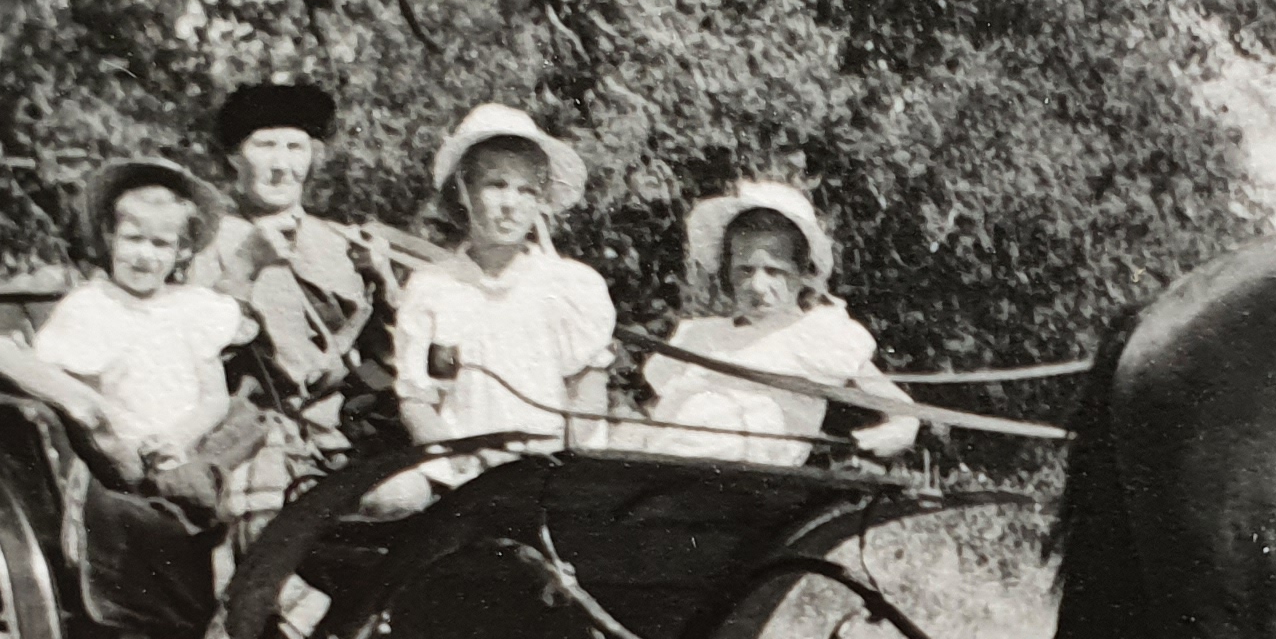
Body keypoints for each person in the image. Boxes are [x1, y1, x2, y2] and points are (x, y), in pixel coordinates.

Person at [366, 105, 618, 512]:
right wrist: (457, 456)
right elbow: (417, 401)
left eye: (526, 191)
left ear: (540, 201)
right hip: (459, 472)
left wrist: (559, 466)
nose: (510, 204)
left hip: (550, 470)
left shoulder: (571, 285)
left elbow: (588, 398)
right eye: (495, 185)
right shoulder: (433, 287)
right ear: (464, 190)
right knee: (388, 500)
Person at [0, 157, 249, 511]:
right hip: (122, 449)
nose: (144, 256)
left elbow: (214, 398)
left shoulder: (196, 308)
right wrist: (127, 436)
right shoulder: (91, 305)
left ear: (183, 251)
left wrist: (178, 438)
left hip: (186, 444)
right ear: (108, 236)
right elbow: (77, 395)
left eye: (160, 244)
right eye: (133, 239)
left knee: (221, 482)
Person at [194, 78, 380, 531]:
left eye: (295, 148)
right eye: (265, 146)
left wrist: (383, 283)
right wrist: (243, 267)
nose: (281, 166)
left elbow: (384, 359)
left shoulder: (340, 243)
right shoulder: (204, 241)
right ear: (234, 158)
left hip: (342, 437)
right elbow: (193, 346)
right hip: (247, 436)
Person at [632, 178, 919, 465]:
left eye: (774, 271)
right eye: (744, 270)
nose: (757, 286)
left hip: (752, 468)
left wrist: (900, 428)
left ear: (803, 274)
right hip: (671, 460)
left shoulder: (817, 334)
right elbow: (660, 408)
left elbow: (899, 406)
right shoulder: (702, 335)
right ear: (727, 272)